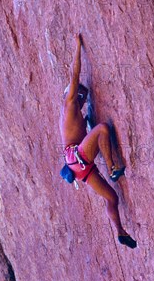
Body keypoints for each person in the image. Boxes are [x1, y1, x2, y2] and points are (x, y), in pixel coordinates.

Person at [59, 33, 137, 249]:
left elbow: (82, 132)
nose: (83, 98)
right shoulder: (69, 103)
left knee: (112, 197)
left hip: (79, 167)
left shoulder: (70, 115)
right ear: (71, 94)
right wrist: (77, 46)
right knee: (102, 129)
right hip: (79, 158)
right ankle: (113, 168)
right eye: (81, 95)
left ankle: (120, 230)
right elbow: (75, 74)